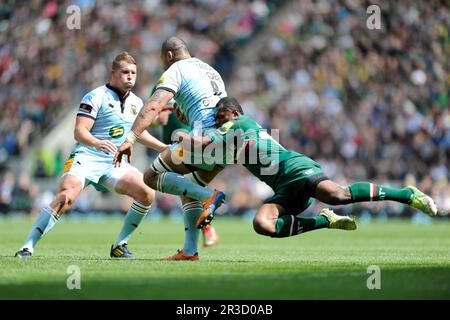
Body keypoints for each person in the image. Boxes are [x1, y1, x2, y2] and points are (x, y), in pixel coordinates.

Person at [140, 97, 439, 241]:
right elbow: (209, 164)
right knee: (262, 224)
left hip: (296, 169)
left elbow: (205, 143)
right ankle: (325, 221)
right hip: (284, 188)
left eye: (221, 115)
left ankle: (407, 195)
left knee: (337, 194)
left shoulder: (240, 123)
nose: (218, 119)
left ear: (233, 113)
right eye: (218, 117)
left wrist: (180, 139)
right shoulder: (230, 138)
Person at [15, 52, 167, 259]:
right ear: (113, 73)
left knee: (147, 193)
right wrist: (97, 142)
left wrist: (163, 147)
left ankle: (120, 245)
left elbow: (138, 134)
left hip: (114, 162)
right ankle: (27, 247)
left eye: (133, 72)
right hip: (86, 157)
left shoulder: (136, 102)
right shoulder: (95, 96)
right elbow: (79, 131)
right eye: (125, 72)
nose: (130, 76)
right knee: (65, 197)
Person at [114, 37, 228, 261]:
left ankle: (209, 197)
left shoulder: (175, 69)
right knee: (189, 189)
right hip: (226, 139)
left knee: (151, 177)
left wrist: (131, 137)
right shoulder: (208, 69)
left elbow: (154, 105)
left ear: (168, 55)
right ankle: (189, 251)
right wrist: (184, 109)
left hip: (203, 140)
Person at [155, 103, 220, 247]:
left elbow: (160, 119)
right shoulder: (165, 91)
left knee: (180, 186)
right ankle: (202, 233)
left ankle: (207, 217)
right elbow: (158, 119)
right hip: (177, 144)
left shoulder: (182, 89)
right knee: (187, 190)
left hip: (184, 145)